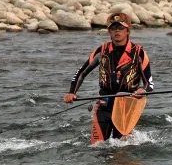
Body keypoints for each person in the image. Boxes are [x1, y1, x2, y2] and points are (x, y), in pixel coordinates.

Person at [63, 13, 154, 144]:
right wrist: (72, 92)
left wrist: (142, 91)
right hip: (103, 106)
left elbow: (149, 83)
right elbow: (81, 73)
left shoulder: (139, 52)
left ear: (128, 31)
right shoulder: (102, 50)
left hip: (126, 107)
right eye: (113, 28)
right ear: (109, 32)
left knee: (122, 150)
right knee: (97, 148)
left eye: (121, 28)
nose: (117, 31)